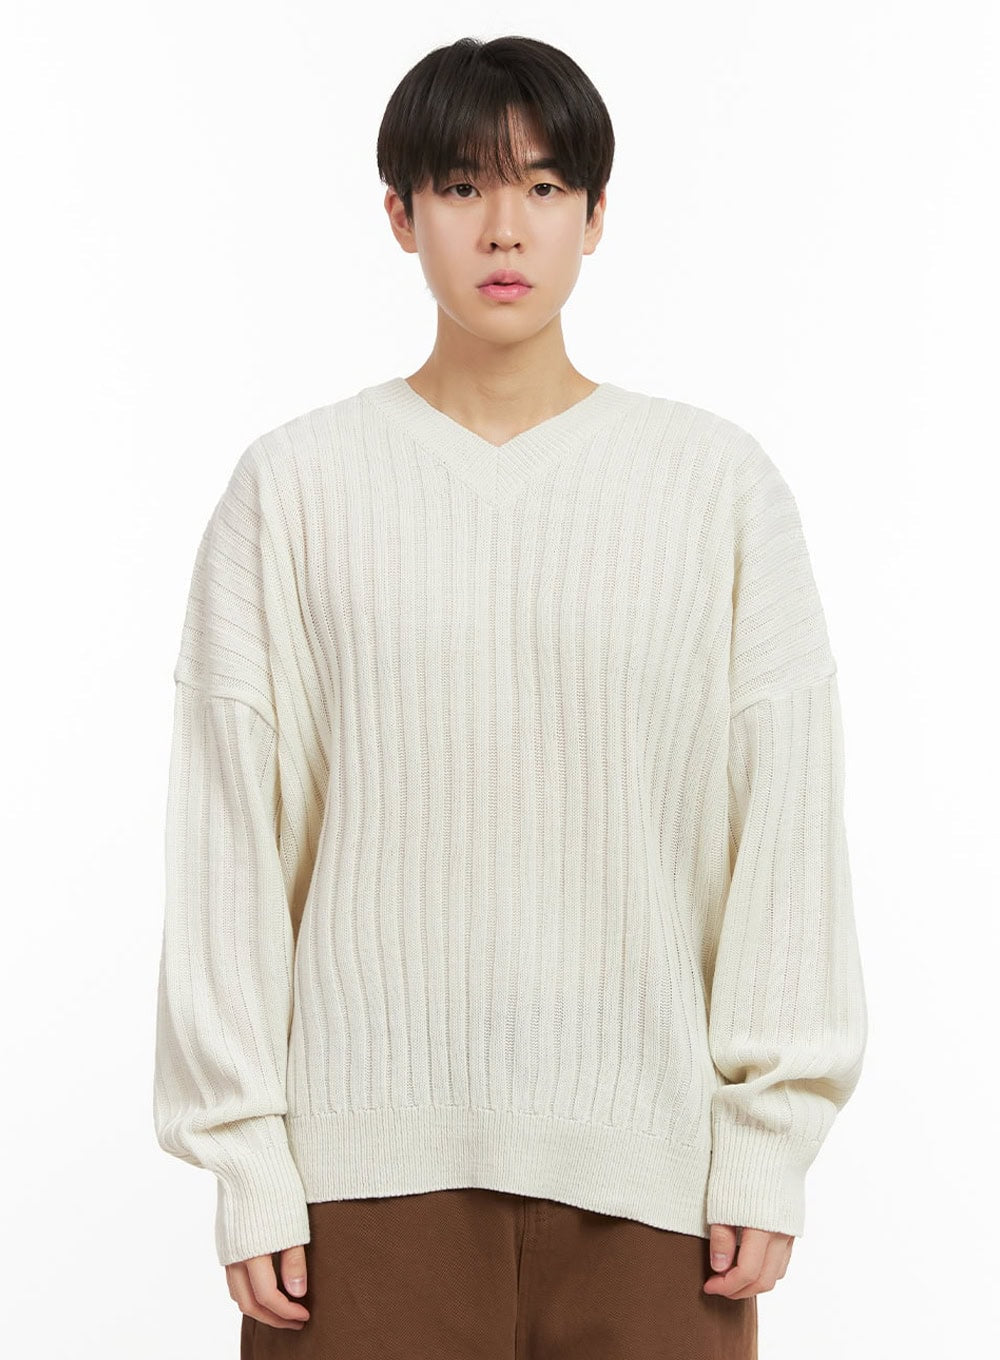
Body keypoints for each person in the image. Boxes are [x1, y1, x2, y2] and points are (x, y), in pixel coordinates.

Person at [153, 33, 868, 1359]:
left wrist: (769, 1140)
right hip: (357, 1199)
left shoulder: (715, 489)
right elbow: (230, 840)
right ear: (399, 214)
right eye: (462, 185)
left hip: (658, 1199)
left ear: (596, 217)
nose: (504, 226)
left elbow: (787, 828)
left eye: (544, 187)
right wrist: (245, 1156)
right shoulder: (293, 490)